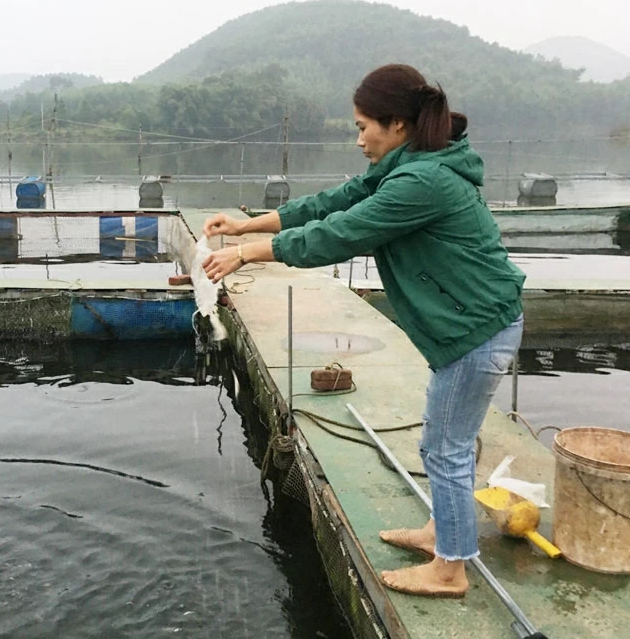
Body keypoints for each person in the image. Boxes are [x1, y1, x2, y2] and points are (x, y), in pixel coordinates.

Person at [202, 64, 525, 598]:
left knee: (445, 447)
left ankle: (450, 569)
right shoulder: (411, 164)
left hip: (476, 330)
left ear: (396, 124)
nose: (359, 140)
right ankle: (442, 532)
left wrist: (245, 254)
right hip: (470, 324)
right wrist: (249, 223)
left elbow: (340, 234)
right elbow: (330, 204)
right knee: (445, 442)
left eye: (362, 126)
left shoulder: (423, 181)